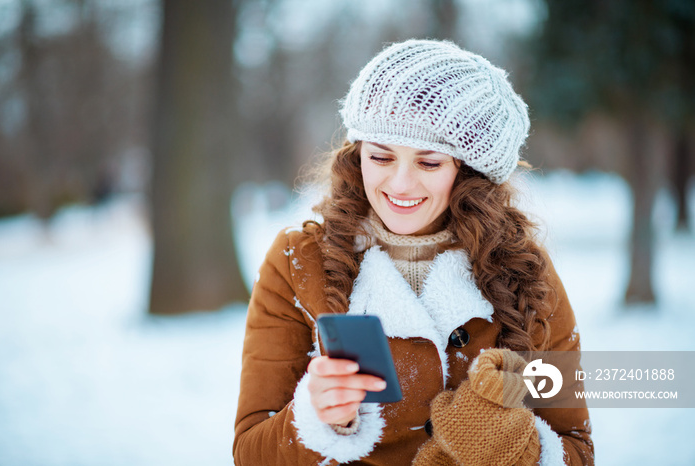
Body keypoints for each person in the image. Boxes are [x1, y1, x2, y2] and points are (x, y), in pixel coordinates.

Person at [233, 39, 594, 465]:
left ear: (469, 170)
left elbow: (575, 448)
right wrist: (316, 417)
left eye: (429, 163)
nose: (400, 185)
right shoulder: (297, 261)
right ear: (358, 153)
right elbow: (250, 453)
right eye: (381, 157)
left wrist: (515, 448)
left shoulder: (524, 271)